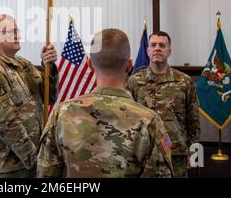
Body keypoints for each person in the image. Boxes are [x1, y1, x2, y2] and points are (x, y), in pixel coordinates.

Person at [37, 29, 173, 178]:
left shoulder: (61, 114)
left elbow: (45, 174)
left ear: (89, 64)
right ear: (129, 65)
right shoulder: (150, 122)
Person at [0, 14, 58, 178]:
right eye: (12, 31)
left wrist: (49, 66)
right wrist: (35, 158)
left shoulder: (22, 64)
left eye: (17, 30)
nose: (18, 35)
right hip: (4, 167)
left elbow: (49, 98)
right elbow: (5, 122)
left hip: (25, 161)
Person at [127, 31, 200, 178]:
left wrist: (194, 154)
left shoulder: (184, 81)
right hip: (144, 153)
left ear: (169, 51)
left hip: (176, 154)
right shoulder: (135, 82)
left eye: (162, 45)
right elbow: (129, 119)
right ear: (148, 51)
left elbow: (194, 120)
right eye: (153, 45)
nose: (157, 48)